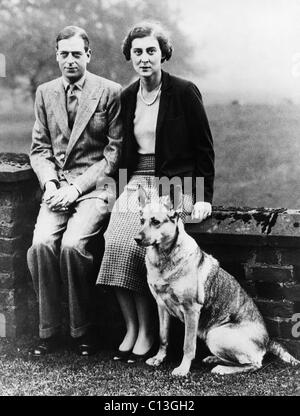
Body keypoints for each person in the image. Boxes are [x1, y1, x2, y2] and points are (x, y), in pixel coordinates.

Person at [96, 21, 214, 362]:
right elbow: (122, 152)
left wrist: (203, 195)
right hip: (138, 179)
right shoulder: (127, 95)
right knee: (116, 241)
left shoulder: (185, 91)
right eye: (137, 52)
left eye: (151, 51)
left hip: (174, 182)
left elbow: (205, 149)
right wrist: (111, 193)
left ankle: (150, 333)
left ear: (163, 54)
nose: (144, 58)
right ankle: (132, 326)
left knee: (148, 244)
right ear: (129, 56)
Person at [27, 26, 123, 356]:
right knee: (40, 244)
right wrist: (51, 183)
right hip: (57, 187)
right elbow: (39, 149)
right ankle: (49, 330)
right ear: (57, 56)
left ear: (88, 55)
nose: (70, 60)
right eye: (63, 54)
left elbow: (114, 153)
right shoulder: (45, 92)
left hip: (95, 188)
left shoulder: (110, 92)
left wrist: (77, 187)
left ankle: (84, 330)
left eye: (76, 54)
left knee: (72, 245)